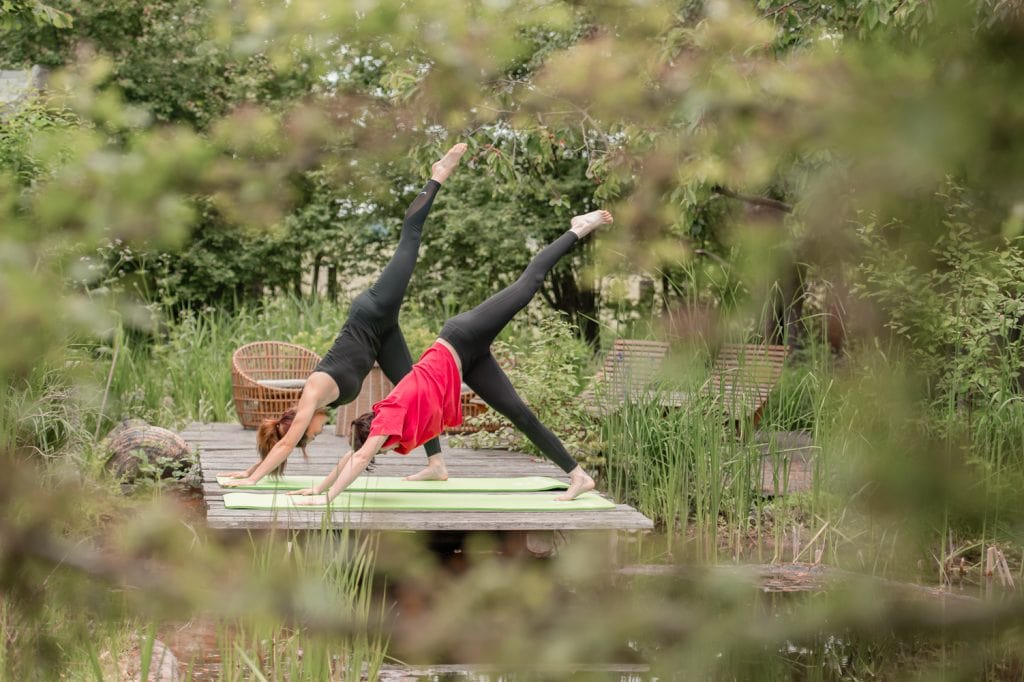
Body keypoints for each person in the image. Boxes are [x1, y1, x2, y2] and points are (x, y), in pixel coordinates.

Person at [289, 208, 613, 504]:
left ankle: (579, 229)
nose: (381, 450)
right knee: (519, 414)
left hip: (462, 336)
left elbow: (359, 458)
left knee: (528, 283)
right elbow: (354, 456)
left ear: (377, 431)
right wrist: (318, 487)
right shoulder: (394, 429)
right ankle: (579, 476)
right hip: (467, 363)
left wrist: (326, 498)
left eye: (378, 444)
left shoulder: (388, 418)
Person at [221, 143, 468, 486]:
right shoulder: (319, 405)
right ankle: (437, 464)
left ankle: (438, 174)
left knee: (409, 238)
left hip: (372, 313)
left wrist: (251, 481)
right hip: (380, 337)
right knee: (416, 390)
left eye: (312, 434)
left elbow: (288, 441)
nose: (318, 433)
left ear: (301, 424)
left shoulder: (311, 394)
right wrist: (250, 470)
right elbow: (286, 440)